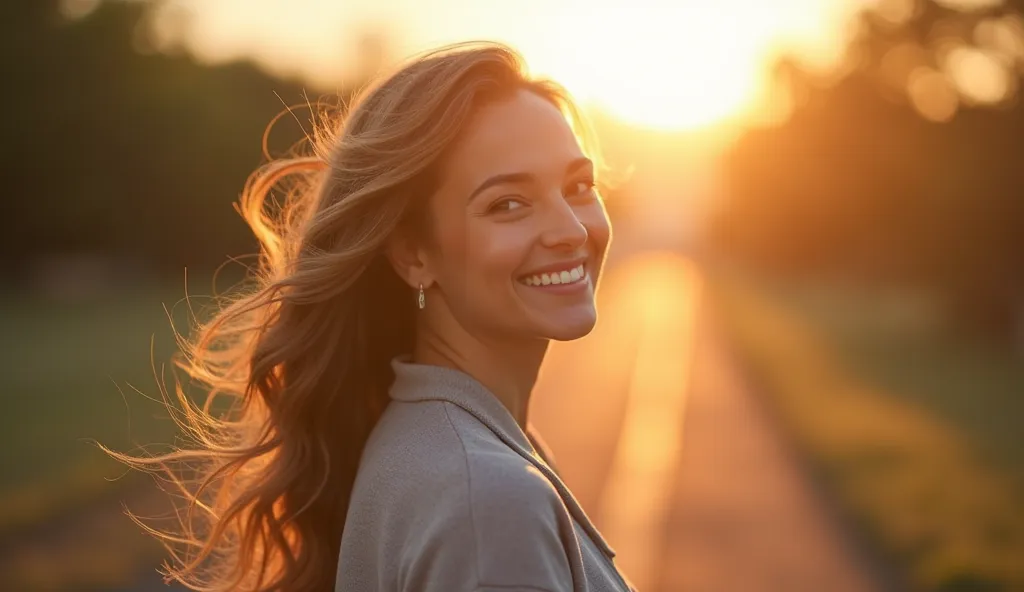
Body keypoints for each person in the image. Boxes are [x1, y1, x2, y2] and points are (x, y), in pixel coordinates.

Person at [112, 41, 633, 591]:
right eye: (508, 204)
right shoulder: (490, 501)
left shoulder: (433, 440)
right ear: (412, 253)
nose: (572, 231)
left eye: (578, 188)